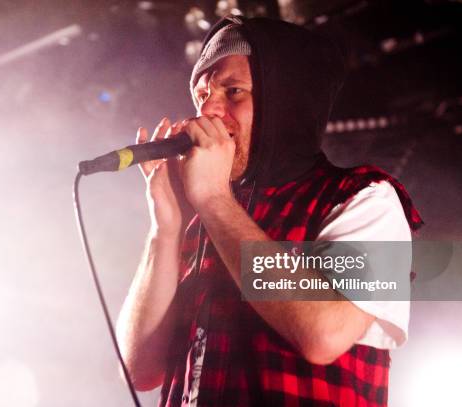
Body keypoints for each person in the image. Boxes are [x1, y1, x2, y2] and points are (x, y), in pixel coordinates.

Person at [117, 16, 423, 406]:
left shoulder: (367, 200)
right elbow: (139, 369)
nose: (208, 109)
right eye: (202, 93)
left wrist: (213, 200)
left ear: (287, 104)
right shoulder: (205, 218)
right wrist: (165, 226)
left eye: (233, 91)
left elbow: (323, 334)